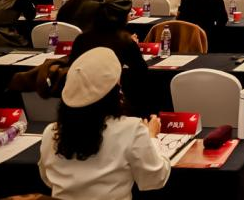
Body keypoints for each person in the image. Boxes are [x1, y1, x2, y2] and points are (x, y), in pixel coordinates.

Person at [39, 47, 170, 199]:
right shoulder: (131, 129)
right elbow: (155, 178)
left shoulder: (51, 132)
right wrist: (152, 137)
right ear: (115, 94)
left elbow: (48, 179)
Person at [69, 0, 152, 115]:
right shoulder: (124, 41)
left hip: (78, 98)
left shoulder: (81, 38)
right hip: (109, 101)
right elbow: (141, 71)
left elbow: (72, 67)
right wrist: (134, 46)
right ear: (123, 18)